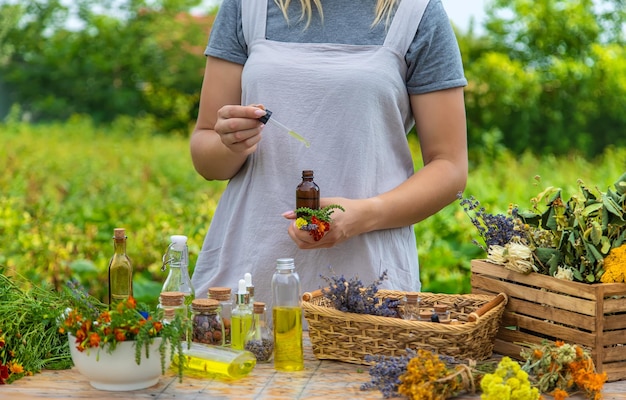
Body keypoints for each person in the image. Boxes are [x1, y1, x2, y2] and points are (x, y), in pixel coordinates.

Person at [190, 0, 468, 310]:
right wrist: (232, 141)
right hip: (246, 283)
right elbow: (206, 155)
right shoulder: (246, 7)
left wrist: (362, 216)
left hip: (367, 288)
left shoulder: (417, 12)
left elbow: (450, 167)